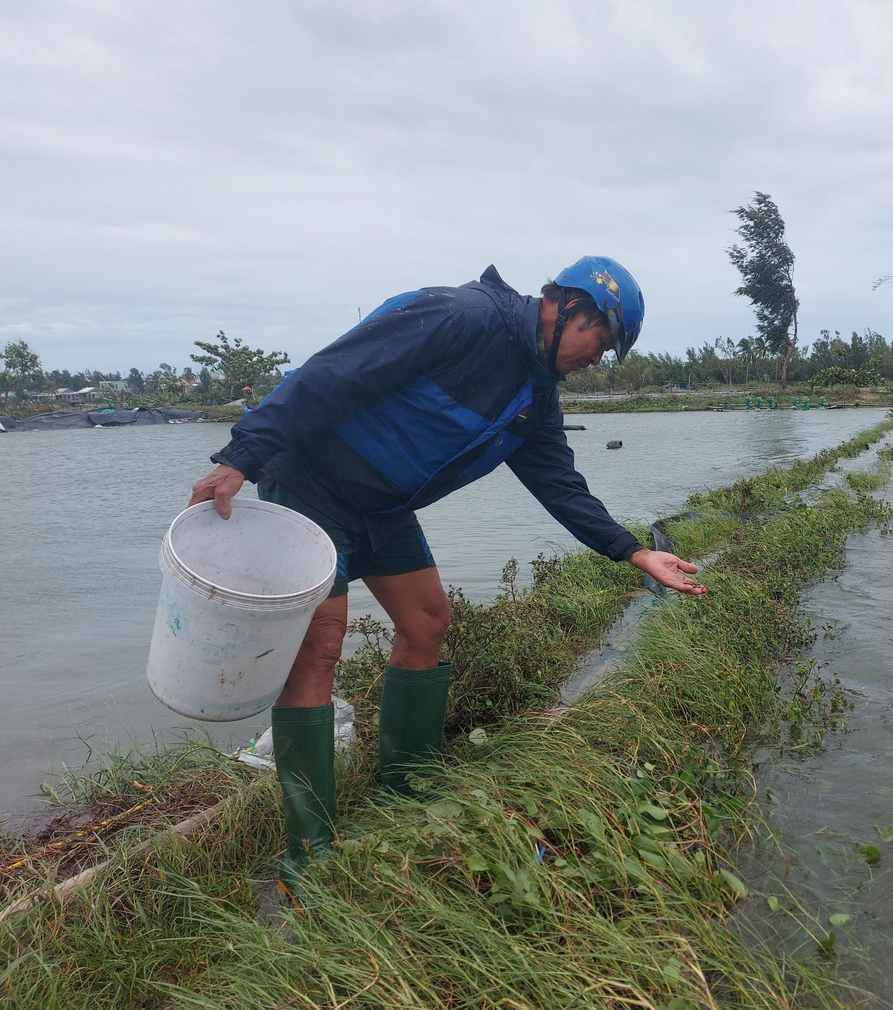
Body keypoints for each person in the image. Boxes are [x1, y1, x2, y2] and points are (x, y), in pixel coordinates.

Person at [187, 256, 705, 894]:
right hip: (314, 485)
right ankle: (309, 849)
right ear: (570, 307)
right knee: (321, 647)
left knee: (428, 621)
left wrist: (632, 551)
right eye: (600, 343)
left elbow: (558, 484)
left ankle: (406, 789)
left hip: (382, 508)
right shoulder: (461, 317)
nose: (596, 359)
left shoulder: (536, 397)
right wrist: (242, 455)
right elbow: (335, 372)